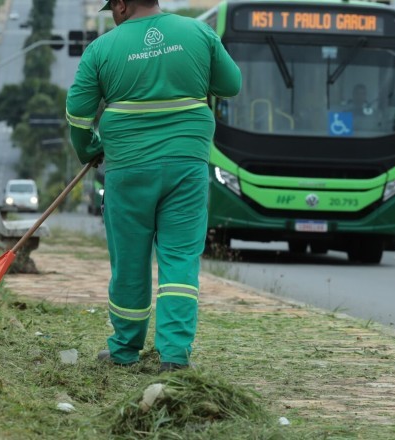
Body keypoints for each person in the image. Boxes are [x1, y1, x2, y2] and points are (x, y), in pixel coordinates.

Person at [66, 0, 241, 373]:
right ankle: (175, 356)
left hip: (128, 169)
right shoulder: (198, 33)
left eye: (111, 7)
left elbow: (78, 115)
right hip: (186, 165)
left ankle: (125, 350)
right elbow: (231, 85)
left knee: (130, 260)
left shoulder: (101, 49)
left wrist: (90, 151)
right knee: (180, 260)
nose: (112, 14)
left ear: (123, 4)